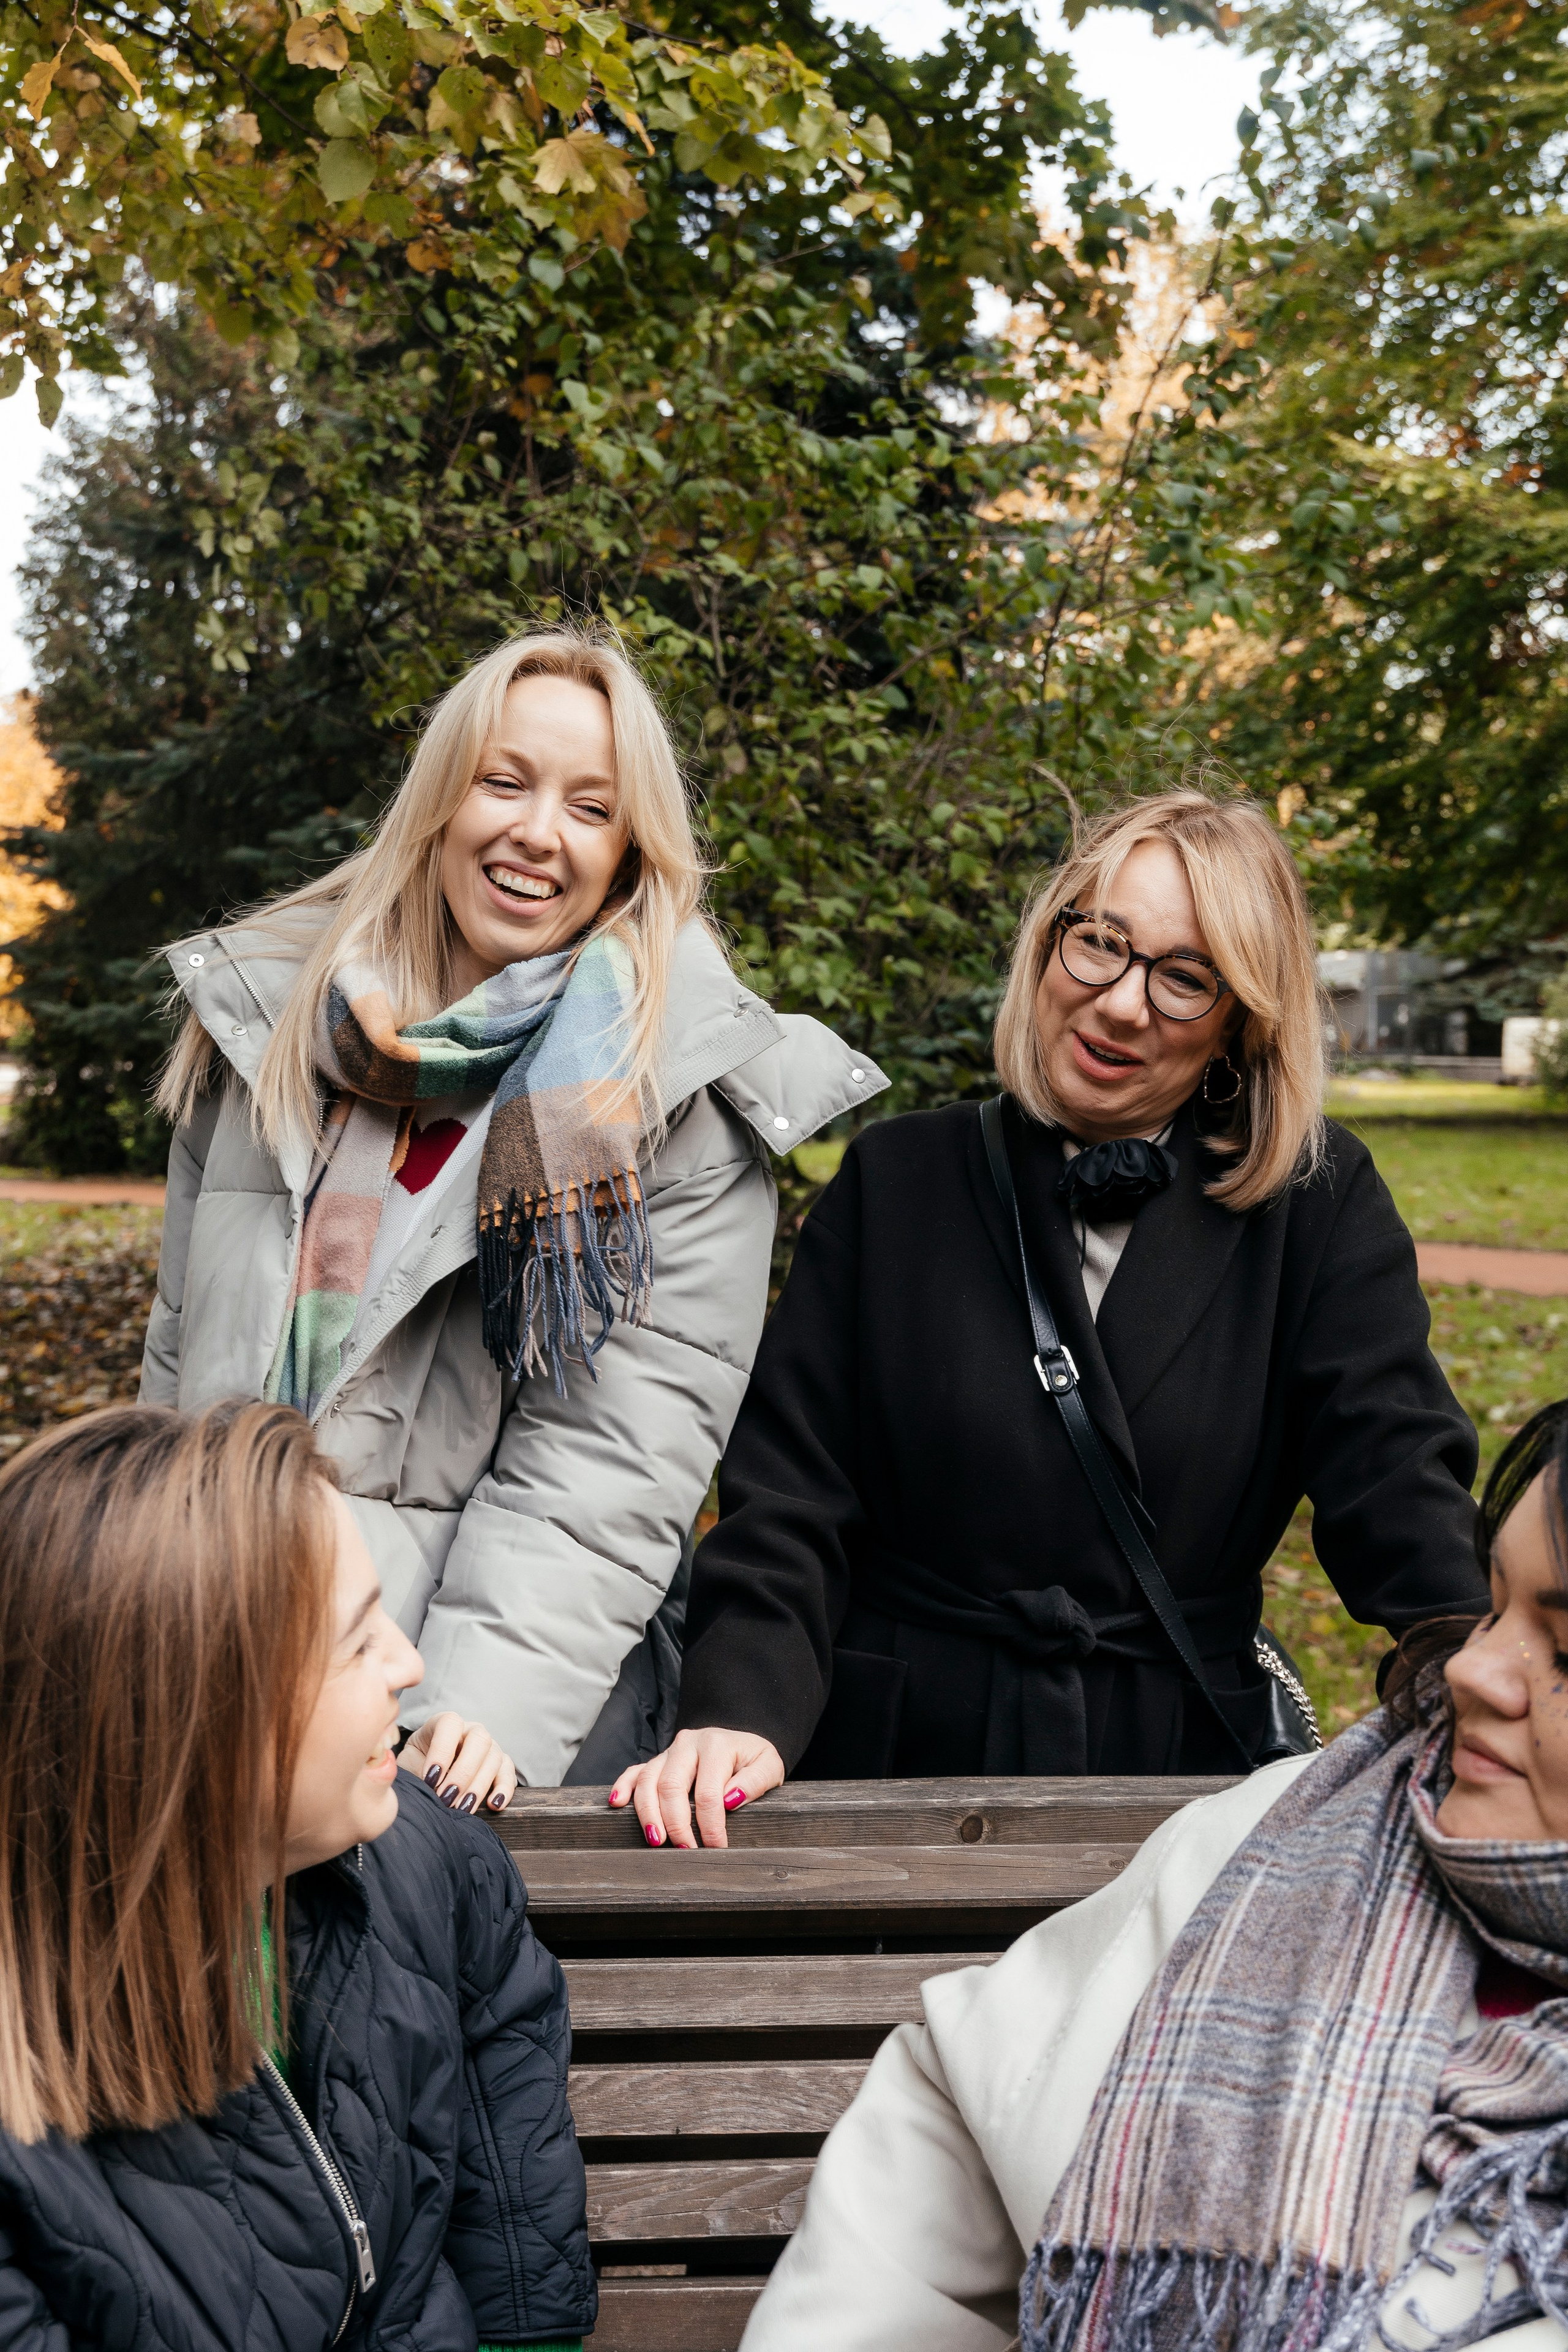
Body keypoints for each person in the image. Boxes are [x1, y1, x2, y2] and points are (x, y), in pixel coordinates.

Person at [617, 786, 1486, 1847]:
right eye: (1102, 944)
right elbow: (788, 1501)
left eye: (1184, 977)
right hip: (894, 1765)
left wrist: (1473, 1664)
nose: (1123, 1003)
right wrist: (738, 1710)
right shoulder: (897, 1181)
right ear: (1049, 947)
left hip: (1169, 1778)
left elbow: (1395, 1476)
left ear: (1239, 1024)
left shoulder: (1315, 1204)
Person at [140, 624, 884, 1787]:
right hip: (214, 1676)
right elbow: (175, 1381)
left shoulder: (676, 1102)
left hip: (464, 1736)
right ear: (442, 799)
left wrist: (444, 1721)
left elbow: (603, 1477)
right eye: (505, 781)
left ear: (632, 850)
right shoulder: (270, 1027)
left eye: (591, 808)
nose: (539, 832)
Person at [742, 1396, 1568, 2352]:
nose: (1472, 1672)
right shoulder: (1274, 1844)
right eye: (1495, 1603)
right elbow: (954, 2114)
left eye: (1563, 1648)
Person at [0, 1398, 596, 2351]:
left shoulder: (421, 1859)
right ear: (201, 1734)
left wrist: (523, 2336)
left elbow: (502, 2034)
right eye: (359, 1644)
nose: (409, 1664)